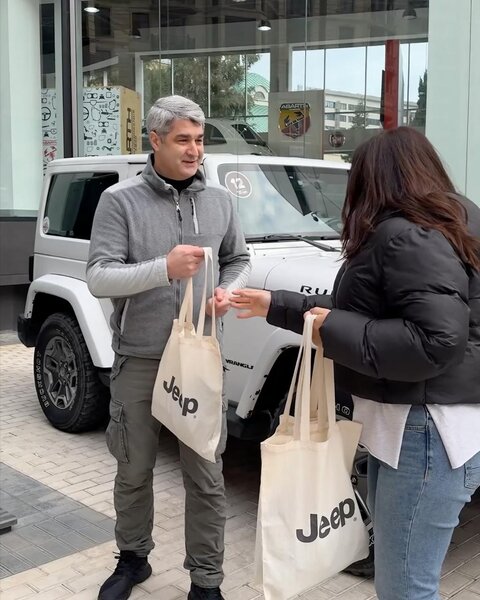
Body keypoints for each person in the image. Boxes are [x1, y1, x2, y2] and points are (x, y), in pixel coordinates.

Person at [230, 127, 480, 600]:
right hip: (423, 426)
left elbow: (434, 340)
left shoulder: (408, 234)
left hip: (426, 433)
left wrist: (329, 329)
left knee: (405, 588)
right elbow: (368, 309)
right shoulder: (446, 223)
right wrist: (277, 305)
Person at [87, 95, 251, 600]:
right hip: (140, 357)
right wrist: (164, 268)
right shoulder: (120, 201)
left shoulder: (221, 200)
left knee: (206, 475)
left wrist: (227, 290)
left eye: (200, 140)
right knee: (133, 467)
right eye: (183, 139)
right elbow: (99, 277)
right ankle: (133, 558)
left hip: (200, 357)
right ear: (154, 141)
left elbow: (238, 258)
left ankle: (207, 582)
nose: (194, 150)